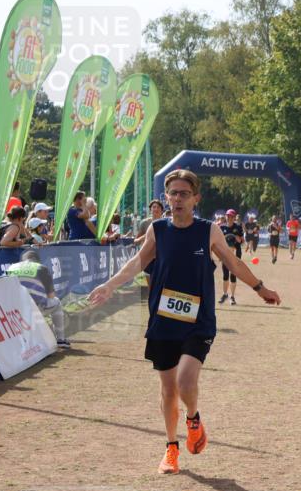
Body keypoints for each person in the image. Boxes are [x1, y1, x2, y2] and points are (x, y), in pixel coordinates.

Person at [88, 169, 280, 474]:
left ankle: (193, 419)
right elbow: (138, 262)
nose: (177, 199)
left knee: (185, 381)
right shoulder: (157, 229)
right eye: (173, 193)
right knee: (168, 391)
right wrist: (110, 285)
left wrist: (260, 288)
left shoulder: (208, 231)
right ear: (166, 197)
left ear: (196, 199)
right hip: (163, 320)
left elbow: (234, 262)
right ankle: (171, 449)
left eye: (184, 194)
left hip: (198, 320)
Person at [6, 249, 70, 348]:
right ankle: (60, 339)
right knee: (56, 303)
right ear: (37, 261)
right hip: (32, 308)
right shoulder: (41, 268)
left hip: (12, 311)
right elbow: (51, 296)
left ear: (23, 260)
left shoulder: (11, 267)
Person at [218, 209, 244, 305]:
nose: (229, 218)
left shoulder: (238, 227)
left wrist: (239, 239)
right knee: (225, 275)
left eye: (231, 216)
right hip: (225, 254)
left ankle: (232, 297)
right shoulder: (221, 228)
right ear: (226, 217)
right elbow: (219, 242)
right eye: (228, 216)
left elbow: (242, 240)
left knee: (233, 275)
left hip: (235, 254)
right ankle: (225, 294)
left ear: (234, 218)